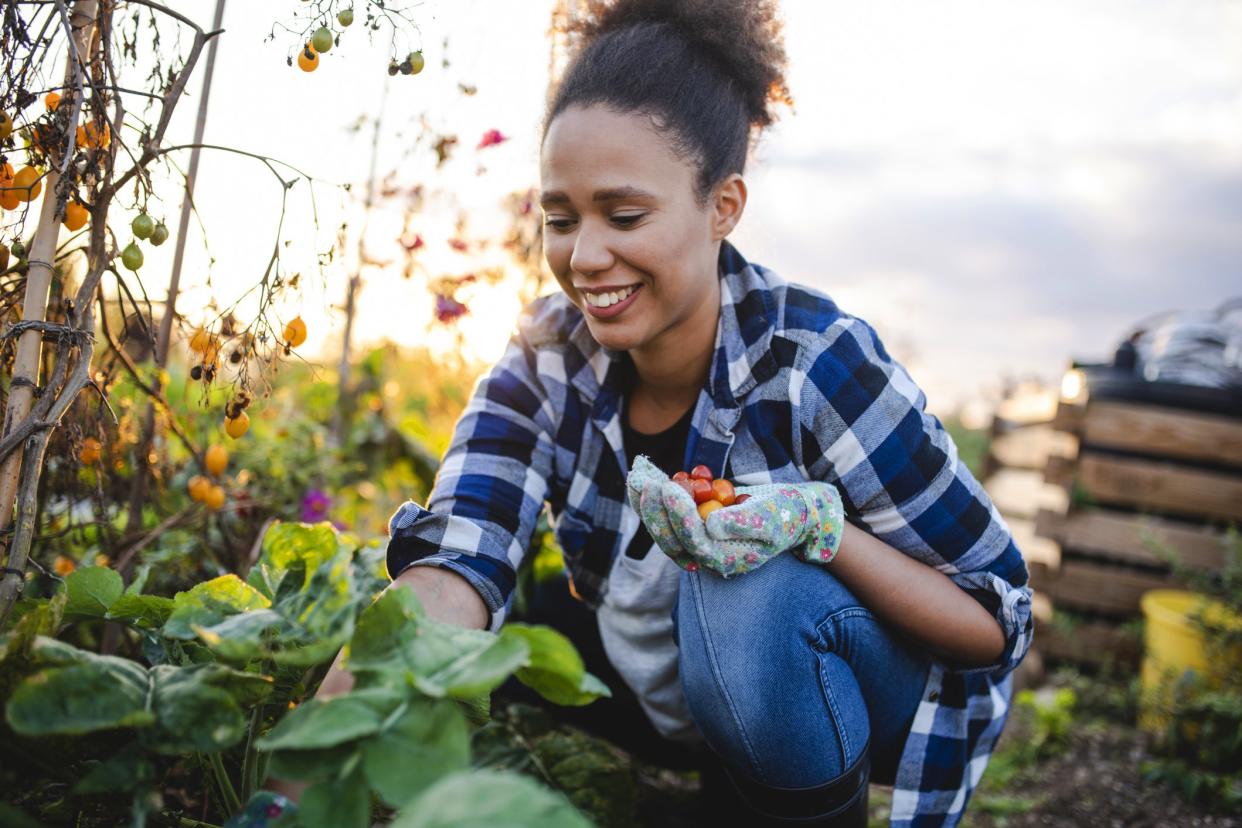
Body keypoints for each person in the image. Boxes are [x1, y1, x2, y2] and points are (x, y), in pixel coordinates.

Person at [283, 1, 1034, 825]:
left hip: (845, 685)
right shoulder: (547, 355)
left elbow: (992, 619)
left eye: (625, 214)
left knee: (745, 595)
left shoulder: (814, 361)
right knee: (507, 625)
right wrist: (293, 791)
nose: (585, 255)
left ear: (723, 207)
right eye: (561, 219)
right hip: (660, 681)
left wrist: (822, 526)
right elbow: (459, 555)